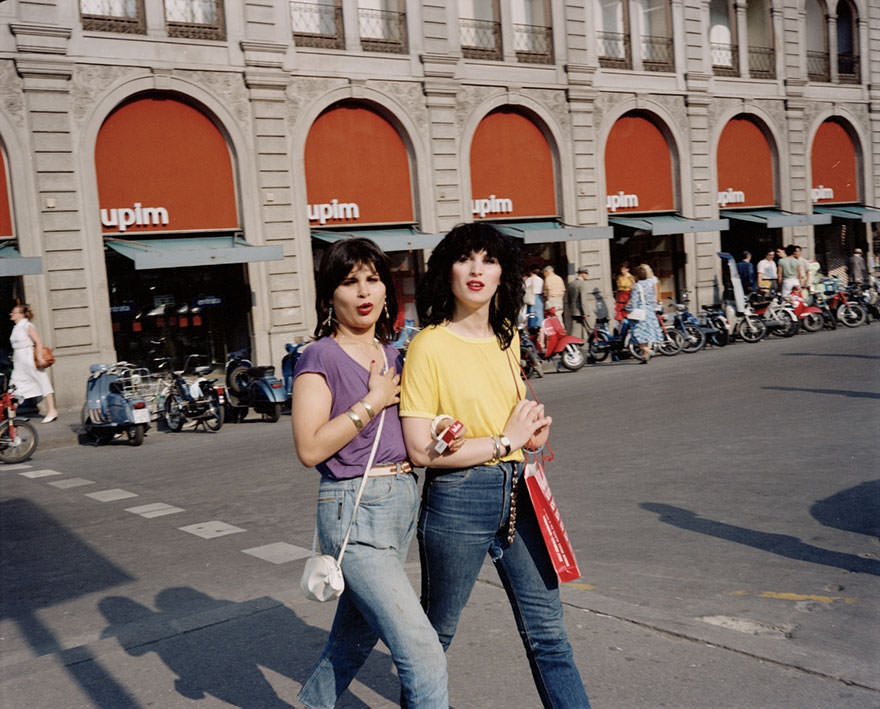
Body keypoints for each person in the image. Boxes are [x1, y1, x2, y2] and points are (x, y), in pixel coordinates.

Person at [400, 222, 590, 709]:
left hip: (520, 492)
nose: (477, 269)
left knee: (549, 633)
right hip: (458, 497)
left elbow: (517, 406)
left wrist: (534, 425)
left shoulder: (506, 339)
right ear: (448, 272)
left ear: (503, 273)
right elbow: (421, 451)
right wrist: (506, 438)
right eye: (466, 259)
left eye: (488, 259)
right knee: (435, 638)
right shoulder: (428, 345)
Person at [291, 238, 448, 709]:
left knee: (351, 642)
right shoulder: (319, 357)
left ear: (386, 291)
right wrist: (372, 401)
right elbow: (309, 446)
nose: (363, 291)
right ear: (329, 297)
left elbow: (411, 433)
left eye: (373, 279)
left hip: (401, 501)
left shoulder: (397, 356)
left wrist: (440, 432)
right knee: (423, 654)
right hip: (353, 510)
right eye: (349, 281)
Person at [9, 303, 58, 423]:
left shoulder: (27, 325)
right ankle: (12, 418)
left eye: (14, 312)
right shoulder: (16, 327)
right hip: (19, 362)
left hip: (29, 359)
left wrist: (40, 357)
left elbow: (38, 341)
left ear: (21, 314)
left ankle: (52, 410)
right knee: (13, 388)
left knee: (42, 381)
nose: (11, 314)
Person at [626, 264, 663, 363]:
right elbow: (654, 298)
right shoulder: (650, 283)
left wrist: (627, 308)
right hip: (649, 311)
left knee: (637, 335)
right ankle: (644, 357)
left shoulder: (637, 286)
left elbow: (633, 301)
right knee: (646, 335)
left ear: (636, 276)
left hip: (640, 312)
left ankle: (648, 351)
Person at [563, 266, 590, 339]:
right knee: (588, 327)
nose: (587, 275)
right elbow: (583, 300)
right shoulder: (582, 284)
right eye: (586, 273)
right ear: (582, 274)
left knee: (575, 328)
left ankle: (576, 342)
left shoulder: (571, 283)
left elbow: (567, 298)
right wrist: (585, 312)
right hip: (580, 310)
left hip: (572, 310)